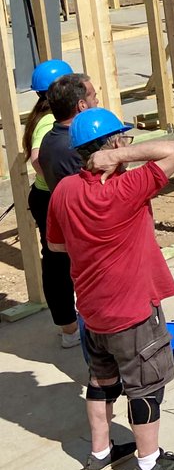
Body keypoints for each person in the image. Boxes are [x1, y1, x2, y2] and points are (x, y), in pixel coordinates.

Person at [46, 108, 174, 470]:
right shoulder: (126, 187)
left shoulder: (64, 189)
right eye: (123, 140)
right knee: (145, 387)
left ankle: (100, 454)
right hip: (132, 312)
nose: (128, 145)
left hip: (92, 312)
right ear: (111, 145)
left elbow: (55, 244)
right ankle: (149, 463)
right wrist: (119, 158)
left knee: (101, 381)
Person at [22, 59, 82, 348]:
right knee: (60, 263)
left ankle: (69, 325)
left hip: (46, 195)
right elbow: (37, 157)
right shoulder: (49, 121)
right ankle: (70, 329)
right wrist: (62, 185)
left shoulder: (41, 116)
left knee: (57, 260)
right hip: (51, 198)